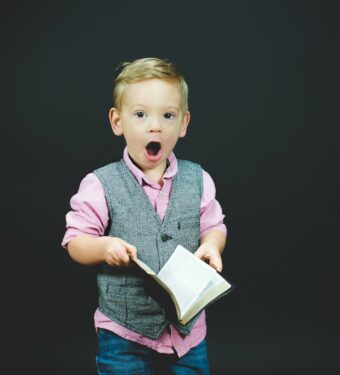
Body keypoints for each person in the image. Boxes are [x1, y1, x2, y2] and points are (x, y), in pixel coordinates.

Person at [62, 57, 227, 374]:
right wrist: (102, 247)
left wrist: (212, 245)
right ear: (117, 122)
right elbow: (75, 241)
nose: (155, 126)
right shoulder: (100, 184)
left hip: (187, 333)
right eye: (140, 115)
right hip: (124, 332)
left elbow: (214, 225)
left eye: (168, 115)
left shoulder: (199, 179)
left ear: (183, 124)